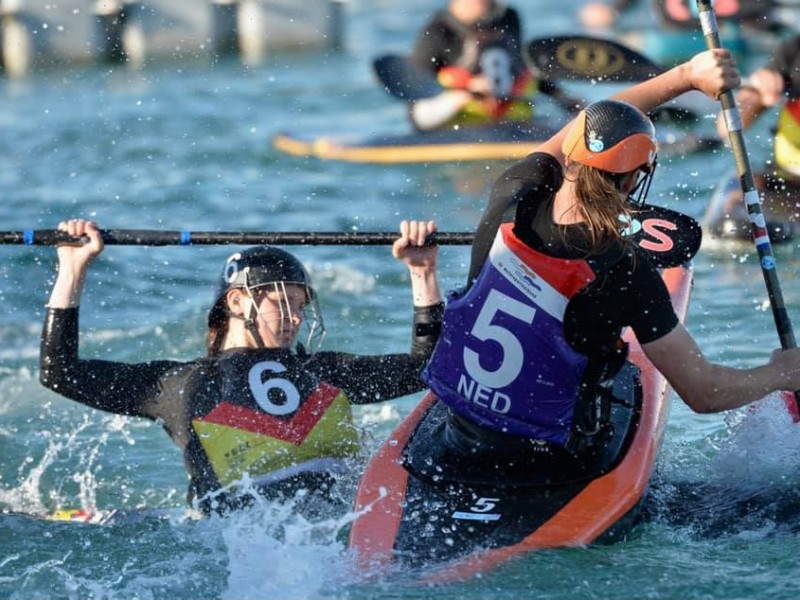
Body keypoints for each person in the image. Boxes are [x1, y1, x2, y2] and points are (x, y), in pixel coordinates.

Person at [420, 48, 800, 475]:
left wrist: (686, 75)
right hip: (548, 458)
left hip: (462, 435)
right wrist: (780, 373)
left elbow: (594, 120)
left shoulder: (514, 190)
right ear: (634, 178)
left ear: (571, 153)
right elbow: (705, 392)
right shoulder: (625, 268)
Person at [39, 219, 443, 517]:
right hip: (233, 541)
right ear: (236, 302)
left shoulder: (324, 372)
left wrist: (422, 273)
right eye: (282, 303)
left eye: (301, 306)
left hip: (337, 525)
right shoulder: (184, 385)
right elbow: (61, 372)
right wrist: (73, 269)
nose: (296, 318)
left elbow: (429, 366)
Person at [408, 0, 578, 131]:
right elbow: (416, 108)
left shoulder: (508, 18)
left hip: (516, 122)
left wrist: (573, 105)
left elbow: (526, 67)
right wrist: (465, 91)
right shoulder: (436, 34)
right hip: (461, 127)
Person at [716, 34, 800, 178]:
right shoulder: (794, 50)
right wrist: (757, 89)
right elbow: (726, 127)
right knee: (738, 185)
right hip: (790, 174)